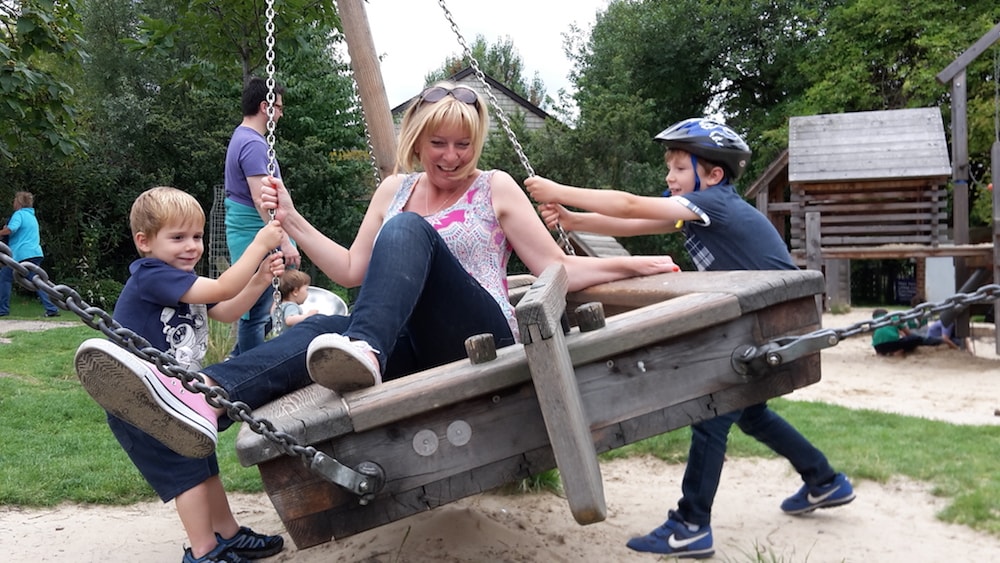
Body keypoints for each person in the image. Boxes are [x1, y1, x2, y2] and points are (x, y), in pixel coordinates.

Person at [73, 81, 680, 488]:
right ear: (417, 138)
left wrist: (633, 265)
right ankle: (200, 398)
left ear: (477, 143)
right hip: (400, 338)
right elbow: (352, 272)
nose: (449, 156)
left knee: (406, 238)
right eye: (437, 143)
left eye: (462, 144)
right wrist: (289, 218)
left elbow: (557, 268)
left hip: (478, 333)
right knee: (322, 325)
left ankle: (362, 349)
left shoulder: (493, 187)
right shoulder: (394, 190)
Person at [525, 118, 855, 559]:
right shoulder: (700, 209)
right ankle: (824, 480)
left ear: (713, 174)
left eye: (679, 168)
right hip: (774, 316)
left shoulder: (714, 203)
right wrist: (572, 219)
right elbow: (634, 223)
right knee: (750, 413)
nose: (669, 177)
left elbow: (626, 204)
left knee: (712, 406)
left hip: (779, 316)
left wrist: (558, 190)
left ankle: (691, 523)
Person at [77, 187, 287, 563]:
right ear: (144, 242)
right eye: (177, 238)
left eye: (196, 237)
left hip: (175, 400)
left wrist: (257, 282)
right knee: (186, 476)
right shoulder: (152, 275)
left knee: (204, 467)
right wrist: (258, 245)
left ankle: (228, 534)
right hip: (142, 403)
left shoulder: (178, 276)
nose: (191, 246)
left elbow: (224, 310)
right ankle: (203, 552)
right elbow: (223, 287)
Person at [224, 76, 300, 357]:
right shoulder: (253, 144)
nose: (281, 113)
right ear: (265, 107)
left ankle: (236, 359)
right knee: (256, 314)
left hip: (254, 232)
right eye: (279, 107)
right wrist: (285, 242)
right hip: (254, 234)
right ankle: (248, 371)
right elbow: (261, 199)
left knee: (263, 308)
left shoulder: (243, 138)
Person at [0, 191, 60, 317]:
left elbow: (12, 229)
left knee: (5, 279)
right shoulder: (32, 217)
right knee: (37, 281)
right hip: (35, 252)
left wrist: (1, 232)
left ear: (19, 202)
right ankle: (51, 308)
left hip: (20, 254)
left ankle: (3, 309)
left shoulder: (19, 214)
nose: (13, 203)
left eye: (15, 200)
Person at [271, 268, 318, 334]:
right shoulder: (291, 306)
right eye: (306, 289)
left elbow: (272, 312)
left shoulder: (278, 306)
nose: (307, 293)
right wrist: (308, 316)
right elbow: (289, 320)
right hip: (288, 340)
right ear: (295, 292)